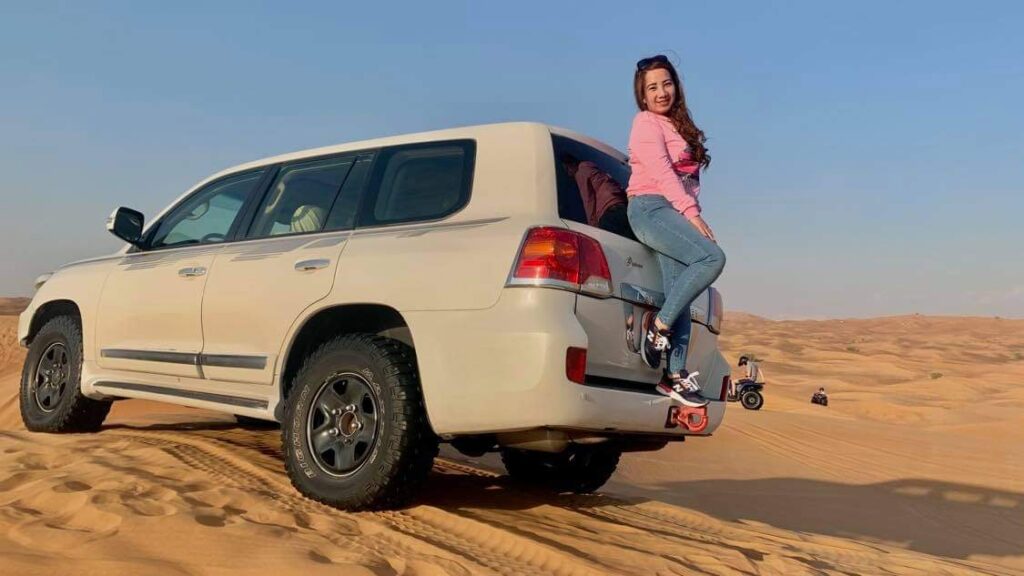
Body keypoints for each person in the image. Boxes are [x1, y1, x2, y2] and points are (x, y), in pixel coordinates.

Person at [627, 54, 726, 408]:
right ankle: (659, 328)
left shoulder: (679, 127)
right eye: (652, 87)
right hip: (650, 208)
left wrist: (686, 212)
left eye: (666, 84)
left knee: (678, 293)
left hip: (673, 212)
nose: (661, 92)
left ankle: (674, 376)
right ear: (642, 95)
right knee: (712, 258)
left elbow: (688, 183)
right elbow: (662, 172)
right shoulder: (645, 123)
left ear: (676, 86)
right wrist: (691, 214)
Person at [560, 154, 637, 240]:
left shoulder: (581, 171)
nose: (569, 173)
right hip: (625, 210)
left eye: (567, 169)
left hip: (609, 214)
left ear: (573, 164)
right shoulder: (596, 170)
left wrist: (593, 229)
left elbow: (588, 199)